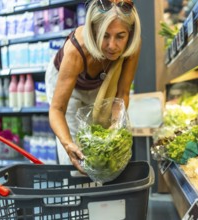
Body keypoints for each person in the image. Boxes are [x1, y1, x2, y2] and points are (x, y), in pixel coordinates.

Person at [45, 0, 141, 173]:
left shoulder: (132, 45)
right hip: (69, 85)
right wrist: (68, 144)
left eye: (120, 36)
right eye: (104, 35)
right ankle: (76, 197)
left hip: (100, 83)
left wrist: (114, 127)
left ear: (130, 33)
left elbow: (122, 93)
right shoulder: (76, 50)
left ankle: (103, 194)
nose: (112, 46)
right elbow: (57, 110)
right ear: (93, 31)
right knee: (77, 150)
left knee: (106, 142)